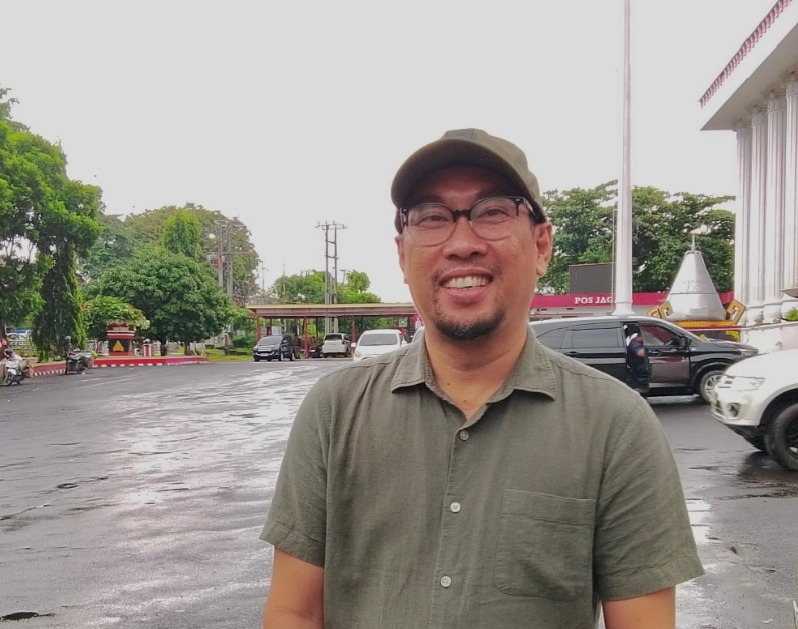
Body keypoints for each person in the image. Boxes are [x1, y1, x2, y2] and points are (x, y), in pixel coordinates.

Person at [261, 129, 703, 628]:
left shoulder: (615, 425)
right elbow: (294, 611)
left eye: (492, 212)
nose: (462, 244)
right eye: (432, 217)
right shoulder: (335, 410)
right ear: (402, 254)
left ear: (541, 245)